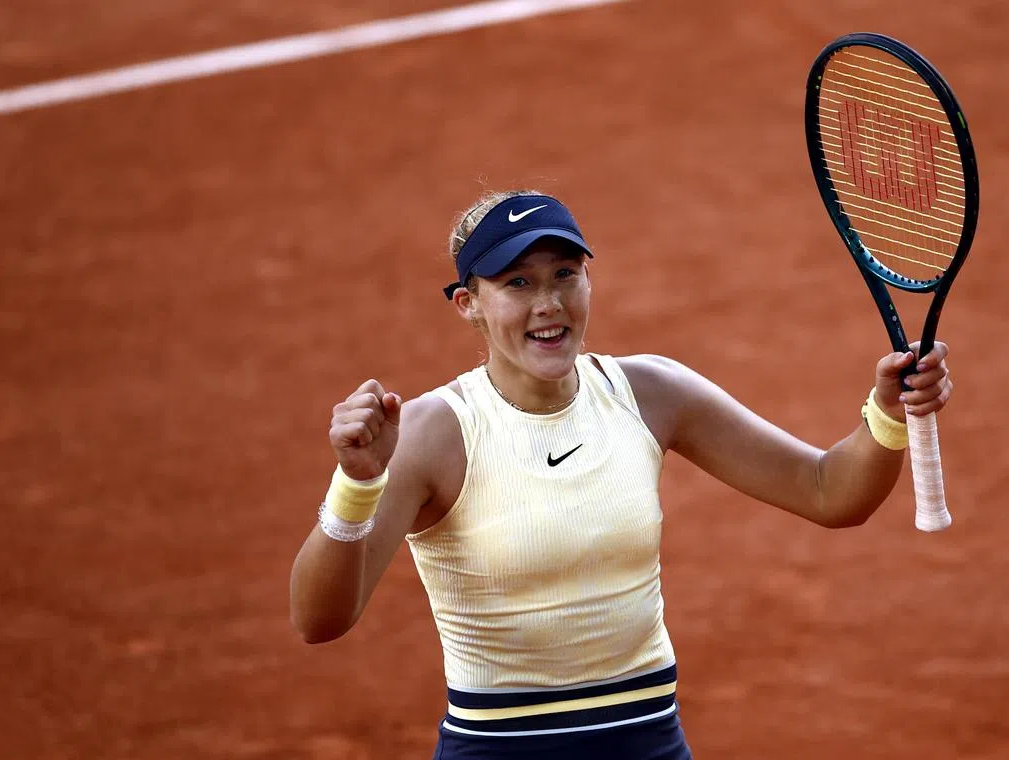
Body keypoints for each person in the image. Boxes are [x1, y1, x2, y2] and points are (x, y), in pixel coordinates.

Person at [289, 190, 954, 759]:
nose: (547, 302)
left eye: (565, 273)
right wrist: (356, 483)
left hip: (647, 743)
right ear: (468, 303)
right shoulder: (436, 433)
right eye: (517, 283)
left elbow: (828, 490)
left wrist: (887, 415)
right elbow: (320, 619)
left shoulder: (650, 392)